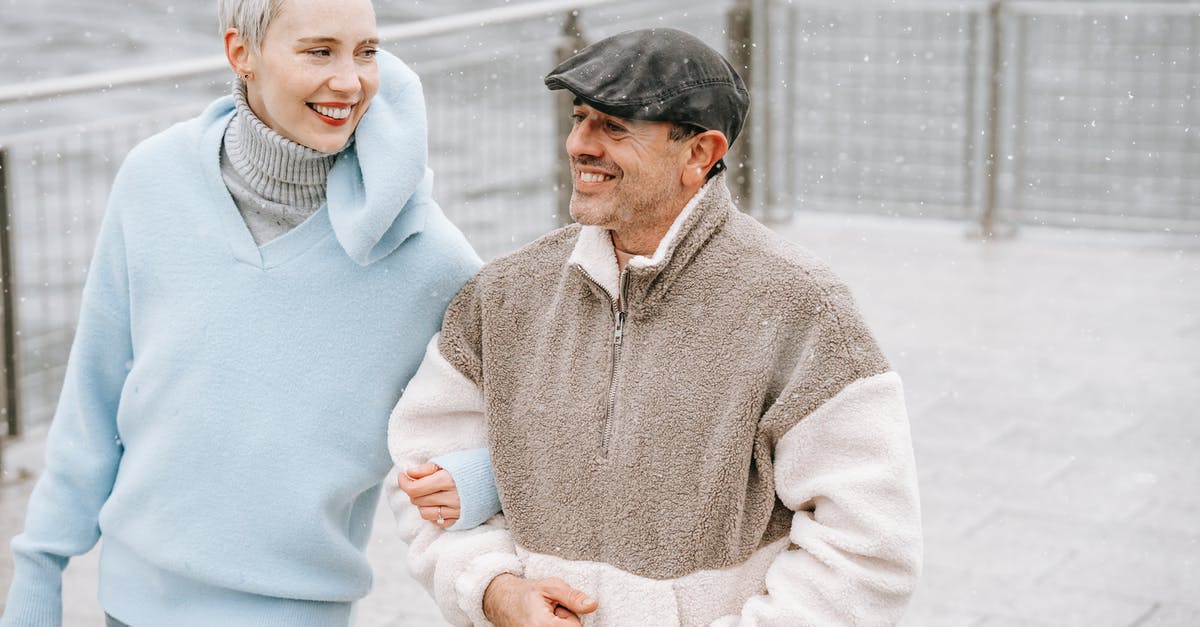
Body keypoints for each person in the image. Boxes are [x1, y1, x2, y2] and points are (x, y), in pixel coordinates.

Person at [387, 27, 922, 626]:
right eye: (581, 117)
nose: (580, 144)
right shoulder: (505, 294)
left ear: (700, 153)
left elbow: (869, 551)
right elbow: (421, 475)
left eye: (614, 127)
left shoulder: (801, 308)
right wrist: (495, 592)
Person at [0, 0, 499, 625]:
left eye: (366, 51)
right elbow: (94, 394)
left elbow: (532, 416)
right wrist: (39, 568)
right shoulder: (153, 178)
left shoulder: (427, 256)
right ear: (242, 54)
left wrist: (481, 481)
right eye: (319, 51)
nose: (350, 80)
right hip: (129, 606)